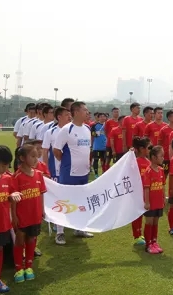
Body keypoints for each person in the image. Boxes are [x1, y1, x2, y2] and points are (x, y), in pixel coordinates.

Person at [52, 101, 94, 244]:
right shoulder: (66, 129)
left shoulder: (87, 128)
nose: (87, 113)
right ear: (75, 112)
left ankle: (79, 228)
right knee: (64, 201)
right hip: (69, 173)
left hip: (84, 173)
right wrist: (66, 164)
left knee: (81, 201)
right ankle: (60, 232)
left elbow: (87, 150)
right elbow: (56, 150)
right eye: (85, 110)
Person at [10, 144, 46, 284]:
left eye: (36, 156)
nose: (36, 159)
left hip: (35, 215)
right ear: (22, 158)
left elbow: (41, 194)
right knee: (20, 241)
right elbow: (13, 200)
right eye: (32, 156)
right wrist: (14, 216)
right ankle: (19, 268)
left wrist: (42, 210)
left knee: (31, 239)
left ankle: (29, 267)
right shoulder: (16, 177)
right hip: (21, 217)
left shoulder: (38, 174)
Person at [0, 146, 15, 294]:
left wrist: (12, 196)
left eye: (7, 165)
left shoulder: (7, 178)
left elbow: (10, 195)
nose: (6, 168)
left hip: (1, 224)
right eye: (3, 165)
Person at [143, 146, 165, 254]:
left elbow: (163, 185)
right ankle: (148, 245)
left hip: (158, 202)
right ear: (153, 157)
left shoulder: (161, 170)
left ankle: (154, 242)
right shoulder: (148, 171)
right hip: (151, 202)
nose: (163, 158)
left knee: (156, 222)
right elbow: (146, 188)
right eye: (161, 156)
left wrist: (163, 197)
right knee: (149, 222)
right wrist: (147, 202)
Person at [131, 137, 151, 246]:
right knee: (136, 214)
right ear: (142, 149)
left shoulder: (148, 161)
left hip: (145, 193)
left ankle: (139, 234)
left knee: (142, 213)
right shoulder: (135, 162)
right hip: (137, 193)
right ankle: (136, 235)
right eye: (148, 148)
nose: (149, 150)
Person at [158, 110, 173, 175]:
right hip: (166, 156)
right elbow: (159, 143)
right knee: (164, 174)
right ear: (169, 118)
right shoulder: (163, 130)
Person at [103, 107, 120, 171]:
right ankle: (105, 172)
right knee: (107, 159)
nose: (116, 113)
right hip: (109, 145)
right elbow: (105, 132)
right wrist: (110, 139)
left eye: (117, 112)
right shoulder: (108, 122)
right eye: (115, 112)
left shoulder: (120, 122)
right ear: (112, 113)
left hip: (117, 145)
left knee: (117, 161)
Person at [91, 113, 107, 177]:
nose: (102, 118)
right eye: (101, 117)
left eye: (104, 116)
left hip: (105, 147)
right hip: (97, 147)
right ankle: (96, 174)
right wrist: (98, 133)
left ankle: (104, 173)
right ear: (98, 118)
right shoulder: (94, 125)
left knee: (105, 161)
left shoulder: (107, 125)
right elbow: (92, 134)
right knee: (96, 160)